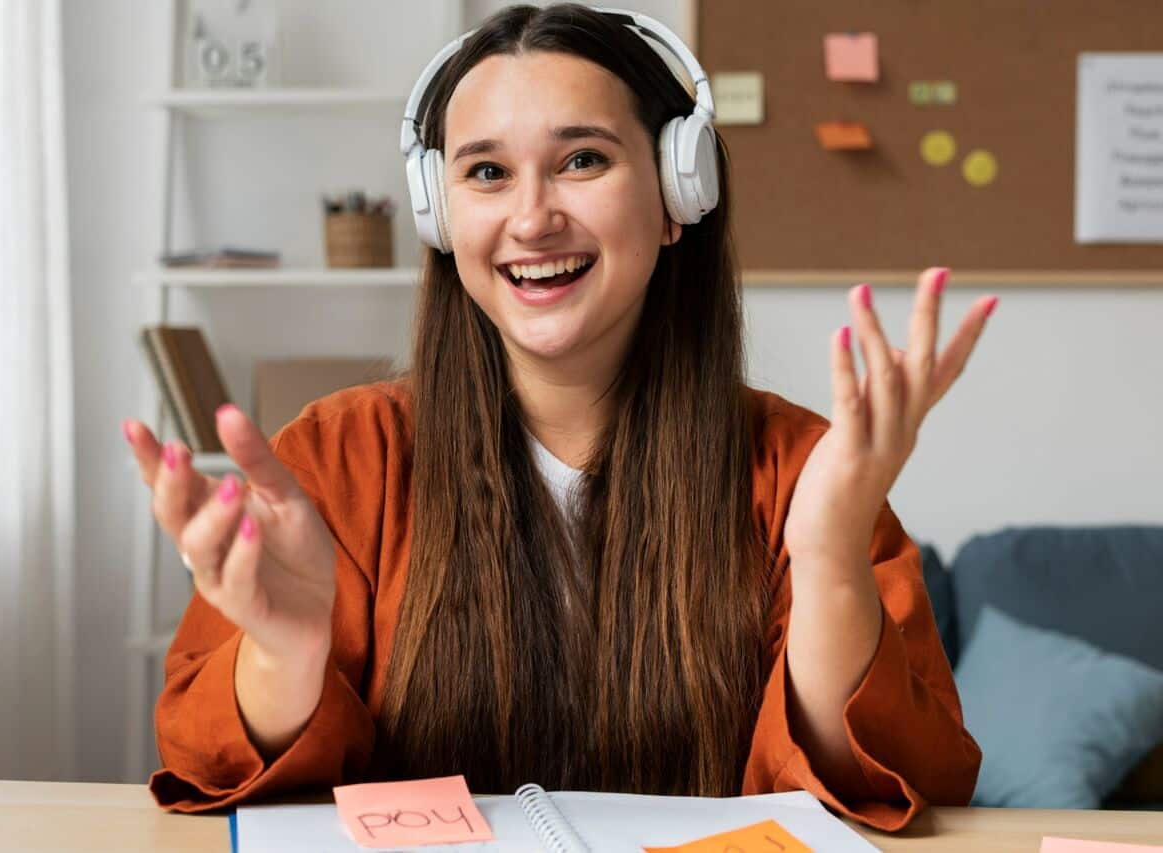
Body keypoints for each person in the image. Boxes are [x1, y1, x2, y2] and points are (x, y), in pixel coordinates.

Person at [127, 4, 991, 832]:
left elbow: (887, 782)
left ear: (677, 197)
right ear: (438, 213)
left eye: (582, 160)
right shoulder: (341, 457)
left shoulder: (805, 472)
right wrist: (284, 652)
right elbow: (214, 765)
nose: (532, 218)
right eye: (487, 172)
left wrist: (832, 558)